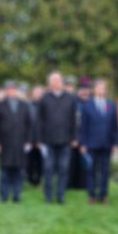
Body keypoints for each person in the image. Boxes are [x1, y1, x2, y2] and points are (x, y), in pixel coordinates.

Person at [38, 71, 77, 204]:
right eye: (53, 81)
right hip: (48, 141)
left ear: (62, 82)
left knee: (63, 169)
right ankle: (48, 196)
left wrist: (74, 138)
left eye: (58, 80)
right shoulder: (44, 98)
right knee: (48, 169)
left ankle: (61, 196)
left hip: (65, 140)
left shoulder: (70, 98)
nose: (56, 83)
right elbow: (40, 120)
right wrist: (40, 139)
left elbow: (73, 120)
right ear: (49, 83)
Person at [79, 79, 118, 204]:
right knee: (91, 170)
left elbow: (115, 126)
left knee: (105, 171)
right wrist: (83, 144)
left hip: (107, 144)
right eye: (100, 87)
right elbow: (83, 127)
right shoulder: (87, 106)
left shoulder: (111, 105)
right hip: (91, 144)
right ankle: (92, 195)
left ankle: (103, 195)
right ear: (94, 90)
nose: (102, 90)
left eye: (104, 87)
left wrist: (116, 143)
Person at [0, 81, 32, 202]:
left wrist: (28, 141)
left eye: (13, 89)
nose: (11, 91)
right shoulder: (0, 105)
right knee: (5, 171)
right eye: (9, 89)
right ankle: (4, 196)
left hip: (20, 143)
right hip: (5, 144)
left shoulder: (24, 105)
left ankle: (17, 195)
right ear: (6, 91)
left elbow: (29, 124)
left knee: (19, 171)